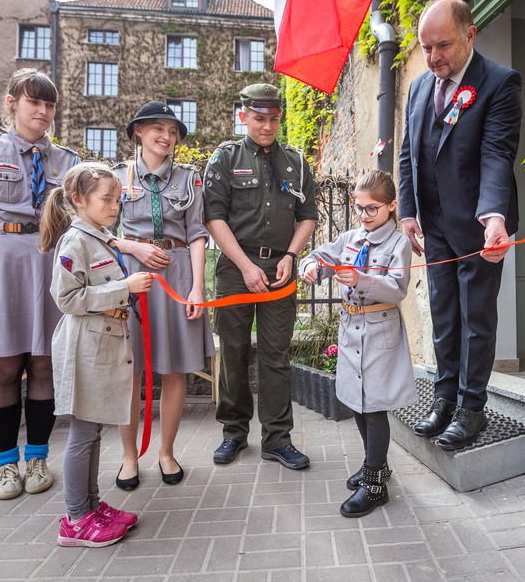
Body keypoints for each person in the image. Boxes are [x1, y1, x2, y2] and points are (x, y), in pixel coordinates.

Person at [398, 0, 522, 450]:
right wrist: (408, 212)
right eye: (425, 48)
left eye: (442, 46)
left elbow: (496, 155)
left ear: (470, 35)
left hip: (476, 228)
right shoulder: (416, 88)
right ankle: (444, 399)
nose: (433, 58)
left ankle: (472, 408)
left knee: (476, 320)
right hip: (433, 227)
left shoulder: (500, 83)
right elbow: (408, 154)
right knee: (445, 318)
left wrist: (493, 218)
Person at [0, 68, 79, 500]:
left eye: (49, 105)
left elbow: (84, 223)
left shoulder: (68, 161)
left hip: (50, 267)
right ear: (12, 102)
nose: (42, 111)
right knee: (4, 367)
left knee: (44, 364)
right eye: (33, 102)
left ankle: (39, 458)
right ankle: (6, 465)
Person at [203, 83, 317, 469]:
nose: (267, 126)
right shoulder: (224, 157)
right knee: (232, 354)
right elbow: (213, 217)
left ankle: (277, 439)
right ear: (244, 116)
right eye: (258, 118)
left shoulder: (297, 163)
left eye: (273, 119)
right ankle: (233, 433)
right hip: (236, 269)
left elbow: (308, 218)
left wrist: (291, 255)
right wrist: (246, 266)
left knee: (276, 356)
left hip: (280, 269)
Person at [39, 162, 153, 547]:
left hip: (102, 343)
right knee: (83, 434)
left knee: (92, 432)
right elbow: (68, 298)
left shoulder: (101, 237)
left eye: (118, 200)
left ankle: (90, 506)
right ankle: (75, 520)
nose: (114, 206)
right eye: (107, 199)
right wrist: (125, 286)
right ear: (78, 199)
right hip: (85, 346)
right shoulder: (75, 242)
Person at [299, 170, 416, 517]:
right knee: (358, 402)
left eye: (372, 209)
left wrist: (362, 278)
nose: (364, 216)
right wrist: (311, 266)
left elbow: (398, 288)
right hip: (351, 329)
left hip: (380, 330)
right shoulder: (351, 237)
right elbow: (322, 255)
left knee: (375, 406)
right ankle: (374, 466)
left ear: (392, 206)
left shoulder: (399, 243)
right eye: (359, 207)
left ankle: (376, 484)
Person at [112, 101, 214, 490]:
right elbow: (100, 230)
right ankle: (127, 456)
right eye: (158, 128)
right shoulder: (116, 176)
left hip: (178, 272)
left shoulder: (189, 179)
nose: (166, 137)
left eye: (173, 131)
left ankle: (167, 452)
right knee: (130, 369)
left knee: (175, 369)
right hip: (134, 274)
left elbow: (197, 234)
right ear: (138, 130)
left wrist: (197, 287)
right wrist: (134, 249)